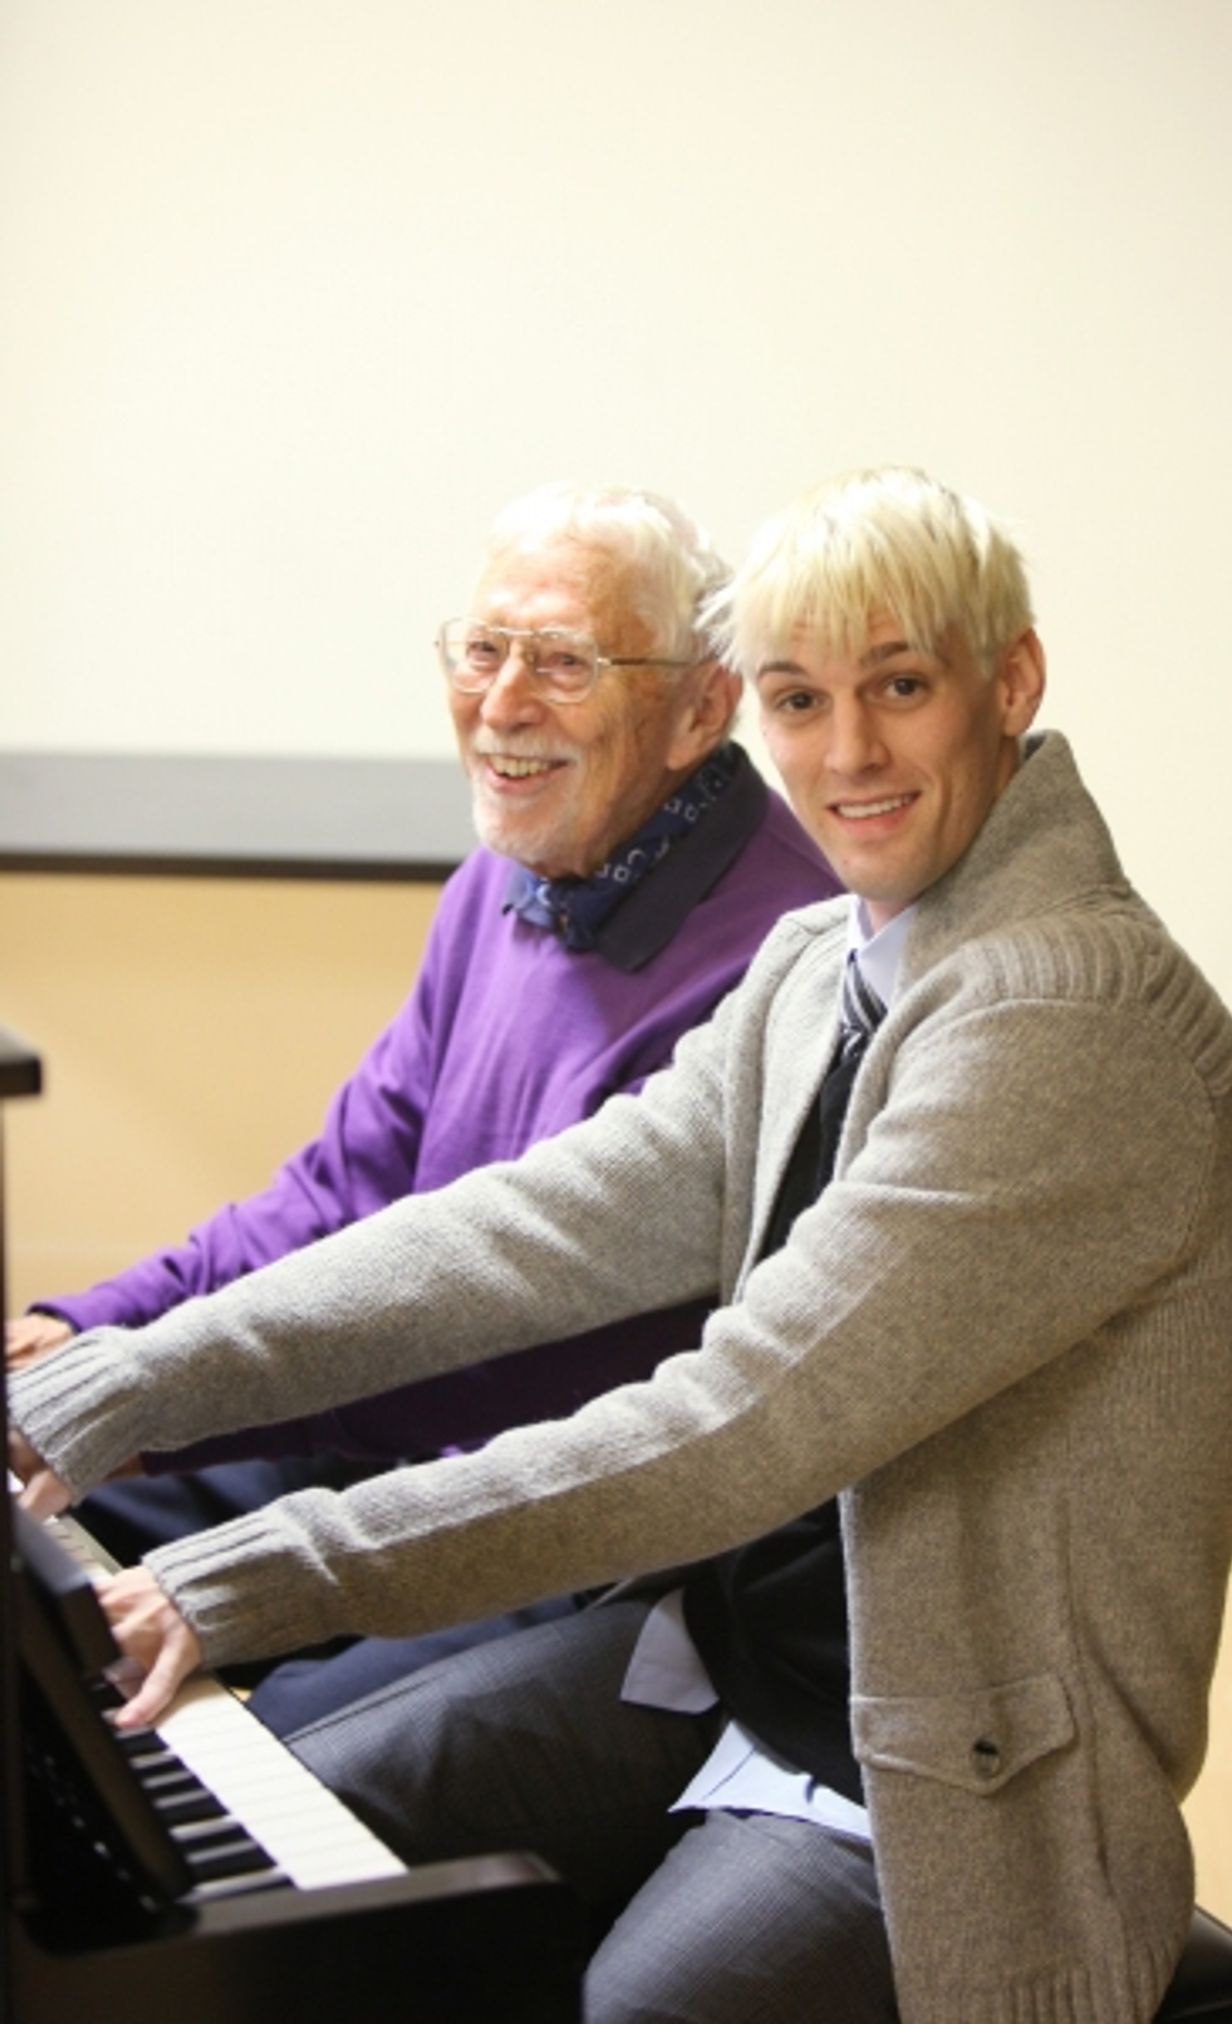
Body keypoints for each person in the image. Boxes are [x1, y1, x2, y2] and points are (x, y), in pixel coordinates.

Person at [10, 466, 1232, 2024]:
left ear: (1008, 682)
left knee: (625, 2008)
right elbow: (522, 1231)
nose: (848, 754)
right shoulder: (826, 960)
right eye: (802, 700)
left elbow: (740, 1423)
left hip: (952, 1770)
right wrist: (116, 1385)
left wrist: (257, 1579)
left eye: (902, 687)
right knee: (285, 1845)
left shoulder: (1066, 1020)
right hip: (732, 1655)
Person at [4, 478, 837, 1729]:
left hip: (556, 1519)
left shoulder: (774, 957)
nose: (501, 704)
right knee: (37, 1545)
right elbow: (343, 1188)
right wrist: (93, 1329)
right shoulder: (509, 874)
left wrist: (148, 1404)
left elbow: (522, 1346)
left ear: (698, 706)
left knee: (247, 1741)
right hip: (383, 1418)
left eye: (561, 661)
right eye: (483, 649)